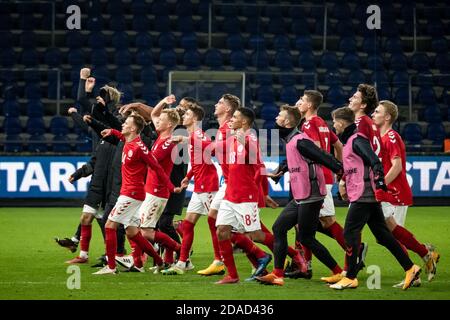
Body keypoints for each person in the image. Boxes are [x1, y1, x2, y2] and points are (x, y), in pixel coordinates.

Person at [328, 107, 421, 290]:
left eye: (334, 122)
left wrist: (378, 181)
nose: (333, 125)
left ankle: (351, 277)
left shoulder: (357, 140)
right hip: (364, 193)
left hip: (364, 193)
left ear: (341, 122)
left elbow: (375, 161)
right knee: (383, 236)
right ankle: (410, 268)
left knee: (349, 233)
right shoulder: (351, 141)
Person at [256, 106, 344, 286]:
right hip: (301, 195)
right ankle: (277, 274)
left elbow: (323, 157)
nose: (276, 119)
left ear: (287, 122)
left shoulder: (301, 141)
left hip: (311, 195)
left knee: (306, 238)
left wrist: (342, 173)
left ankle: (338, 272)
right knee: (279, 228)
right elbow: (293, 160)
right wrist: (280, 172)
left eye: (279, 116)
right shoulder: (292, 140)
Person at [93, 113, 181, 275]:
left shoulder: (139, 148)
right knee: (133, 232)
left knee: (109, 225)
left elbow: (157, 167)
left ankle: (111, 267)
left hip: (132, 194)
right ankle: (160, 262)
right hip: (132, 193)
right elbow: (124, 136)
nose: (123, 125)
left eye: (126, 123)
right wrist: (112, 131)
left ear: (133, 128)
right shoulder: (128, 141)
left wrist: (170, 187)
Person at [372, 100, 440, 287]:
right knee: (385, 236)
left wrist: (381, 183)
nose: (373, 114)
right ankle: (423, 257)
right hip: (385, 191)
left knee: (390, 234)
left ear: (387, 117)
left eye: (377, 112)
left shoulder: (392, 137)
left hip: (395, 192)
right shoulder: (379, 137)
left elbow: (397, 166)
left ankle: (422, 259)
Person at [295, 90, 354, 275]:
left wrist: (333, 169)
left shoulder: (309, 124)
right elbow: (338, 146)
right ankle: (305, 264)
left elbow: (315, 149)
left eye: (303, 100)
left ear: (310, 105)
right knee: (302, 223)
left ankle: (355, 250)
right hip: (323, 176)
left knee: (327, 221)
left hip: (316, 179)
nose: (299, 102)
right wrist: (337, 167)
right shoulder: (322, 123)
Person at [214, 108, 272, 284]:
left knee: (256, 235)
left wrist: (262, 193)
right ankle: (232, 275)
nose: (232, 119)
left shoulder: (250, 139)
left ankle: (291, 254)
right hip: (230, 195)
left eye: (236, 117)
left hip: (246, 197)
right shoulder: (232, 140)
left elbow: (259, 166)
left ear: (244, 122)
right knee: (222, 231)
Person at [162, 103, 219, 275]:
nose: (184, 116)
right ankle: (183, 262)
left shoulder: (199, 135)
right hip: (199, 187)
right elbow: (198, 162)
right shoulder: (192, 136)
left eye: (186, 114)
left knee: (221, 227)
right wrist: (188, 177)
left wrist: (187, 140)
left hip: (208, 186)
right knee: (187, 226)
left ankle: (222, 259)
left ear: (194, 118)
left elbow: (211, 149)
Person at [197, 94, 240, 276]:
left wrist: (191, 139)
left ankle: (285, 255)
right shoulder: (223, 128)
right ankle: (219, 260)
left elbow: (214, 149)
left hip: (236, 183)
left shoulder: (229, 128)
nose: (216, 104)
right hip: (228, 181)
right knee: (213, 217)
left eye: (220, 102)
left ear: (228, 110)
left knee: (253, 231)